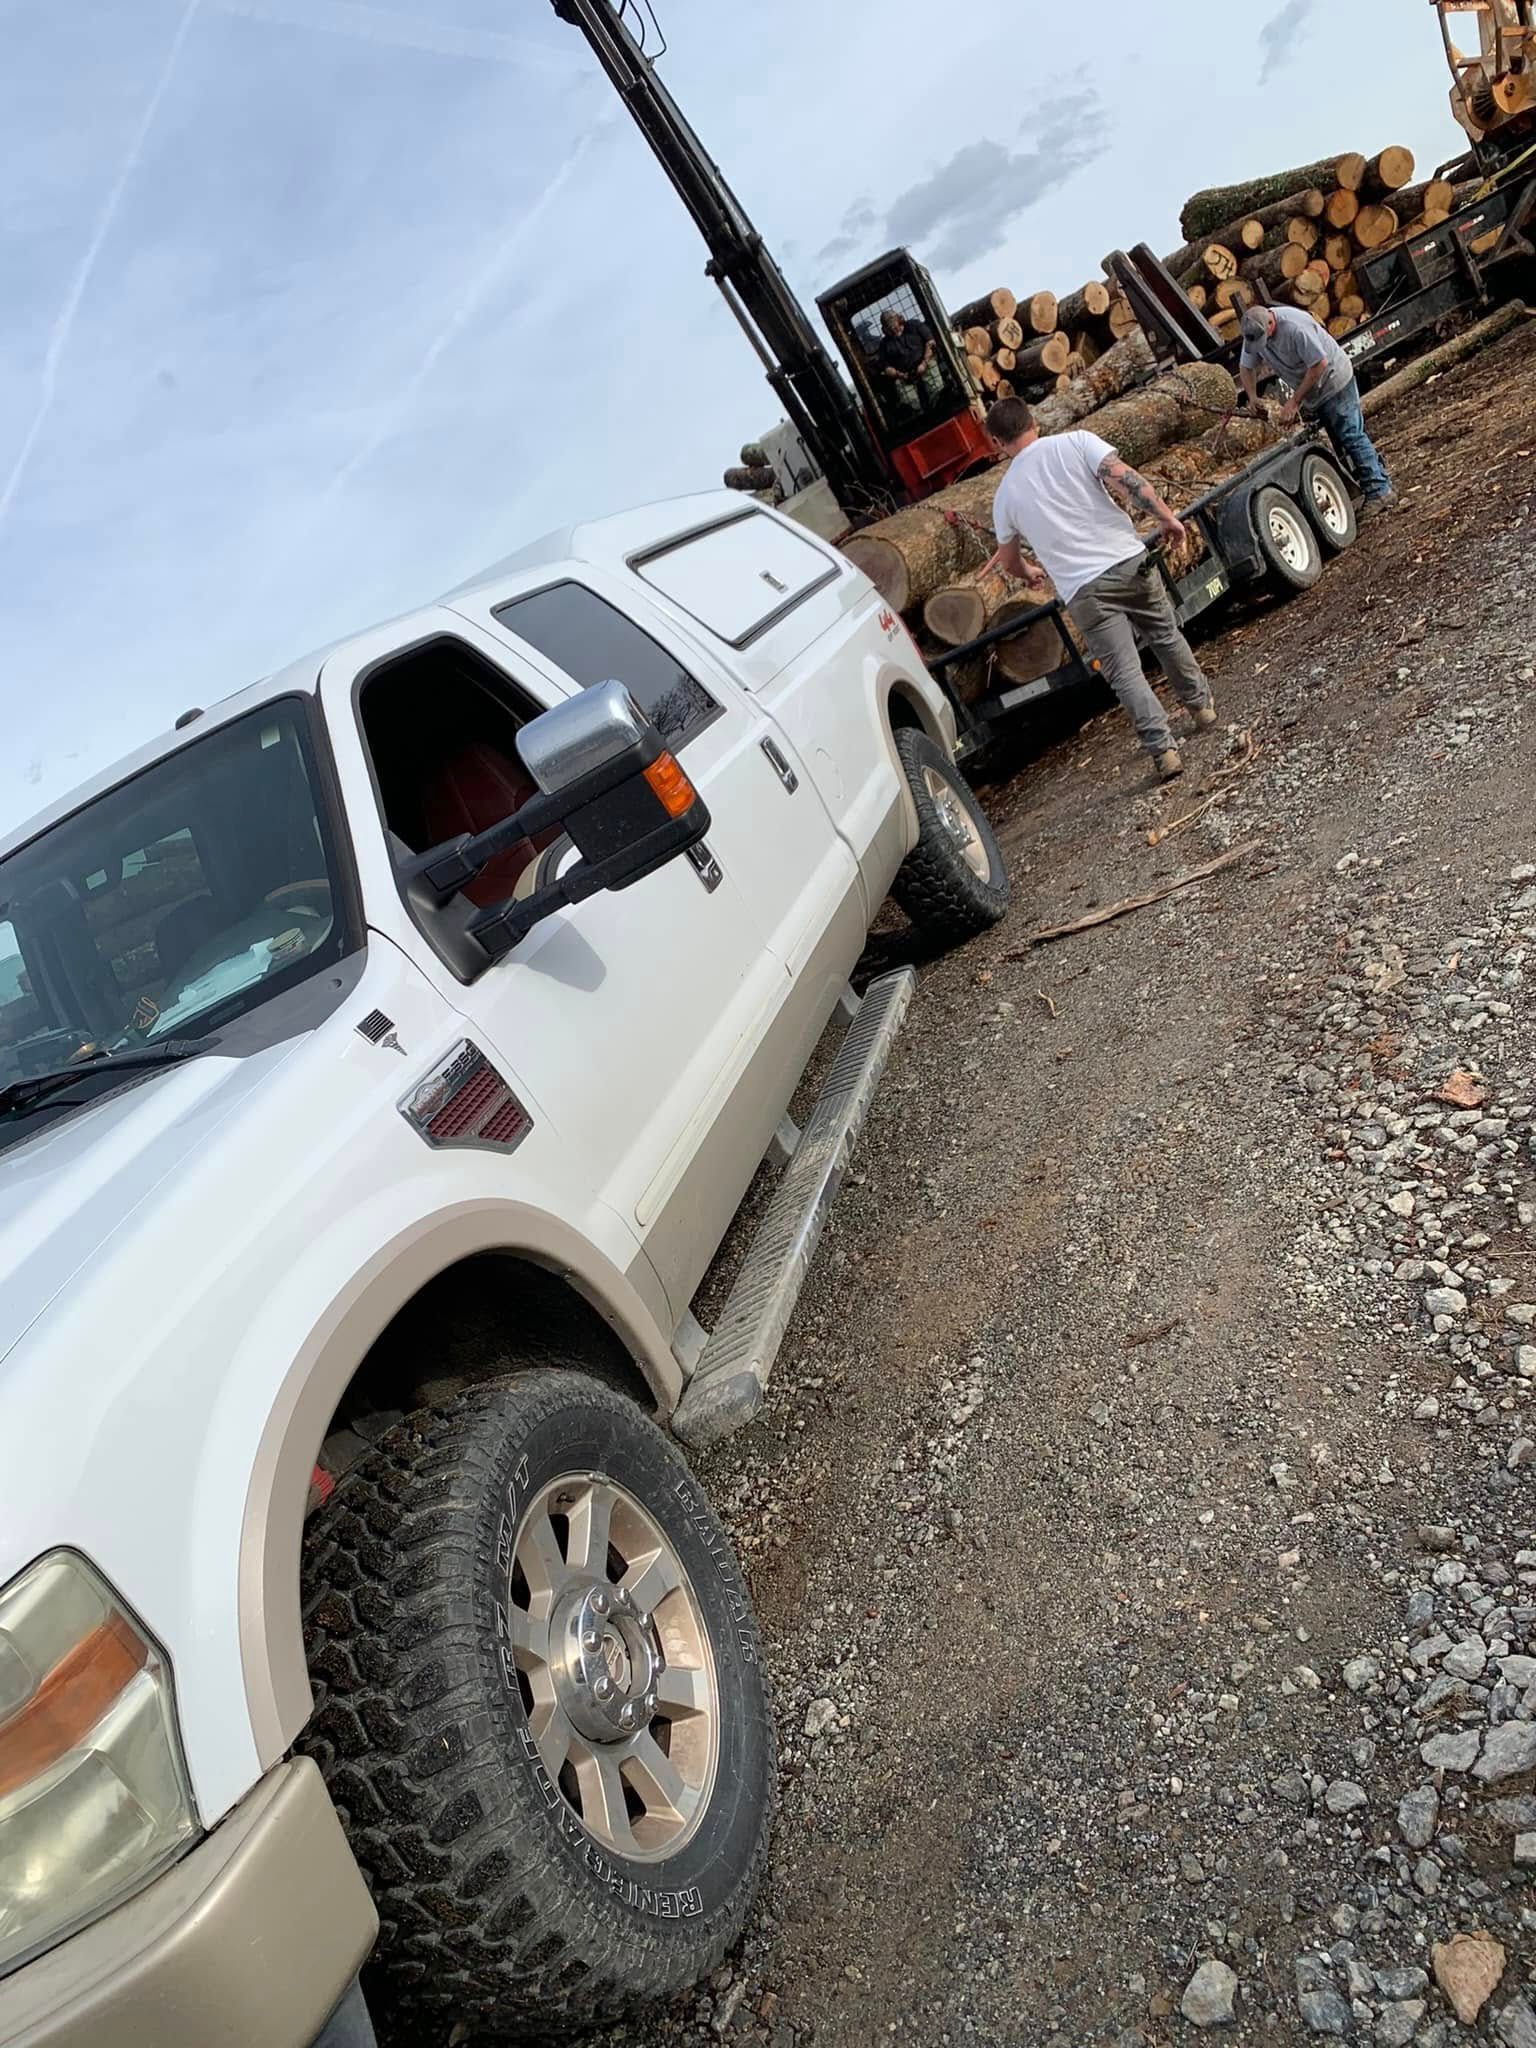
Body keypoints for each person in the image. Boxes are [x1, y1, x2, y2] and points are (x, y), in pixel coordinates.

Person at [982, 395, 1215, 781]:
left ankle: (1164, 751)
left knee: (1124, 672)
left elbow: (1007, 561)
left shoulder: (1004, 496)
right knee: (1165, 635)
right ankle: (1201, 706)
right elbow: (1128, 481)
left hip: (1083, 590)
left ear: (996, 442)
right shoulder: (1077, 442)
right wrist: (1167, 519)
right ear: (1033, 421)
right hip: (1128, 562)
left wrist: (1030, 573)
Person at [1239, 303, 1395, 520]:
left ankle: (1380, 492)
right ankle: (1376, 477)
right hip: (1314, 392)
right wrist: (1252, 396)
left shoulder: (1295, 327)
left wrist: (1294, 402)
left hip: (1334, 381)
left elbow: (1319, 364)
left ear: (1271, 323)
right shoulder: (1254, 333)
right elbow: (1246, 367)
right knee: (1339, 441)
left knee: (1351, 435)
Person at [876, 310, 944, 414]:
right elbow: (886, 367)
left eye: (893, 324)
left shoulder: (914, 325)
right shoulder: (884, 345)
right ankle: (917, 414)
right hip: (904, 376)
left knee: (937, 389)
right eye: (888, 327)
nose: (892, 329)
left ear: (899, 319)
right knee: (907, 399)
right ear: (884, 329)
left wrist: (923, 363)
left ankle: (939, 404)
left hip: (925, 365)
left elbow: (930, 342)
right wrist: (900, 375)